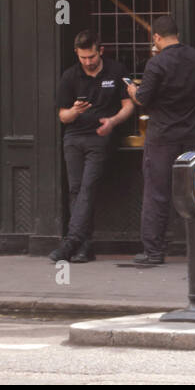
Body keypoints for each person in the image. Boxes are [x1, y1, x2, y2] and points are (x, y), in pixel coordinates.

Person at [125, 15, 195, 265]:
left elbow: (144, 99)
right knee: (194, 193)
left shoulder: (156, 64)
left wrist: (131, 90)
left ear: (157, 38)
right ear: (178, 34)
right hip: (191, 134)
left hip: (162, 136)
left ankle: (154, 251)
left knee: (157, 193)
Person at [48, 32, 134, 263]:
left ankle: (71, 241)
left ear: (101, 50)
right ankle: (83, 246)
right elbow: (63, 117)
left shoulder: (116, 71)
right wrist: (74, 111)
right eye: (83, 57)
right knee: (76, 190)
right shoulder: (69, 76)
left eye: (92, 56)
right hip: (73, 137)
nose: (88, 61)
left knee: (87, 187)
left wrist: (113, 121)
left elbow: (129, 105)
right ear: (77, 53)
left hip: (100, 137)